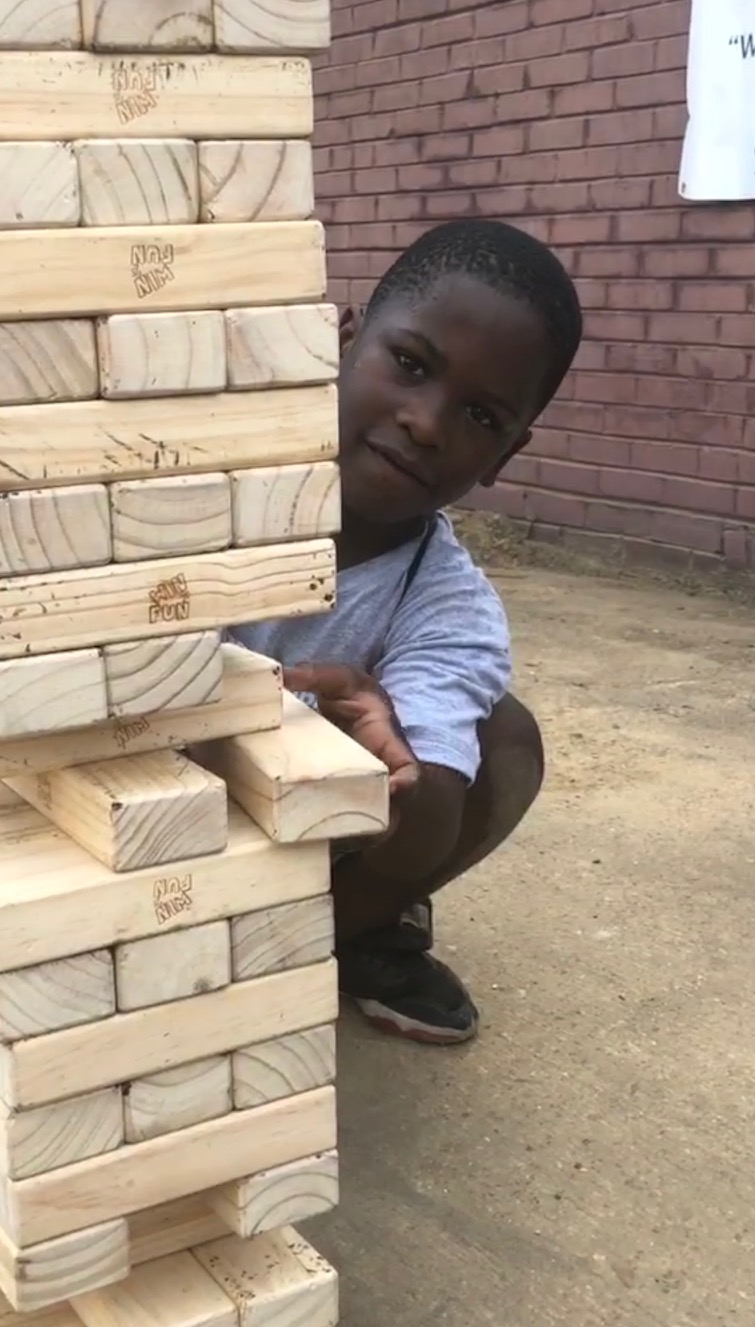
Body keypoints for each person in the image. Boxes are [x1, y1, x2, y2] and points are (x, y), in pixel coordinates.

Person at [227, 219, 584, 1046]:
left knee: (501, 745)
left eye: (481, 416)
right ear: (341, 341)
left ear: (506, 454)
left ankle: (345, 936)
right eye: (411, 367)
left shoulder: (447, 606)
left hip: (300, 843)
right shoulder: (210, 478)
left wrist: (401, 769)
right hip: (154, 802)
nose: (427, 423)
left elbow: (431, 818)